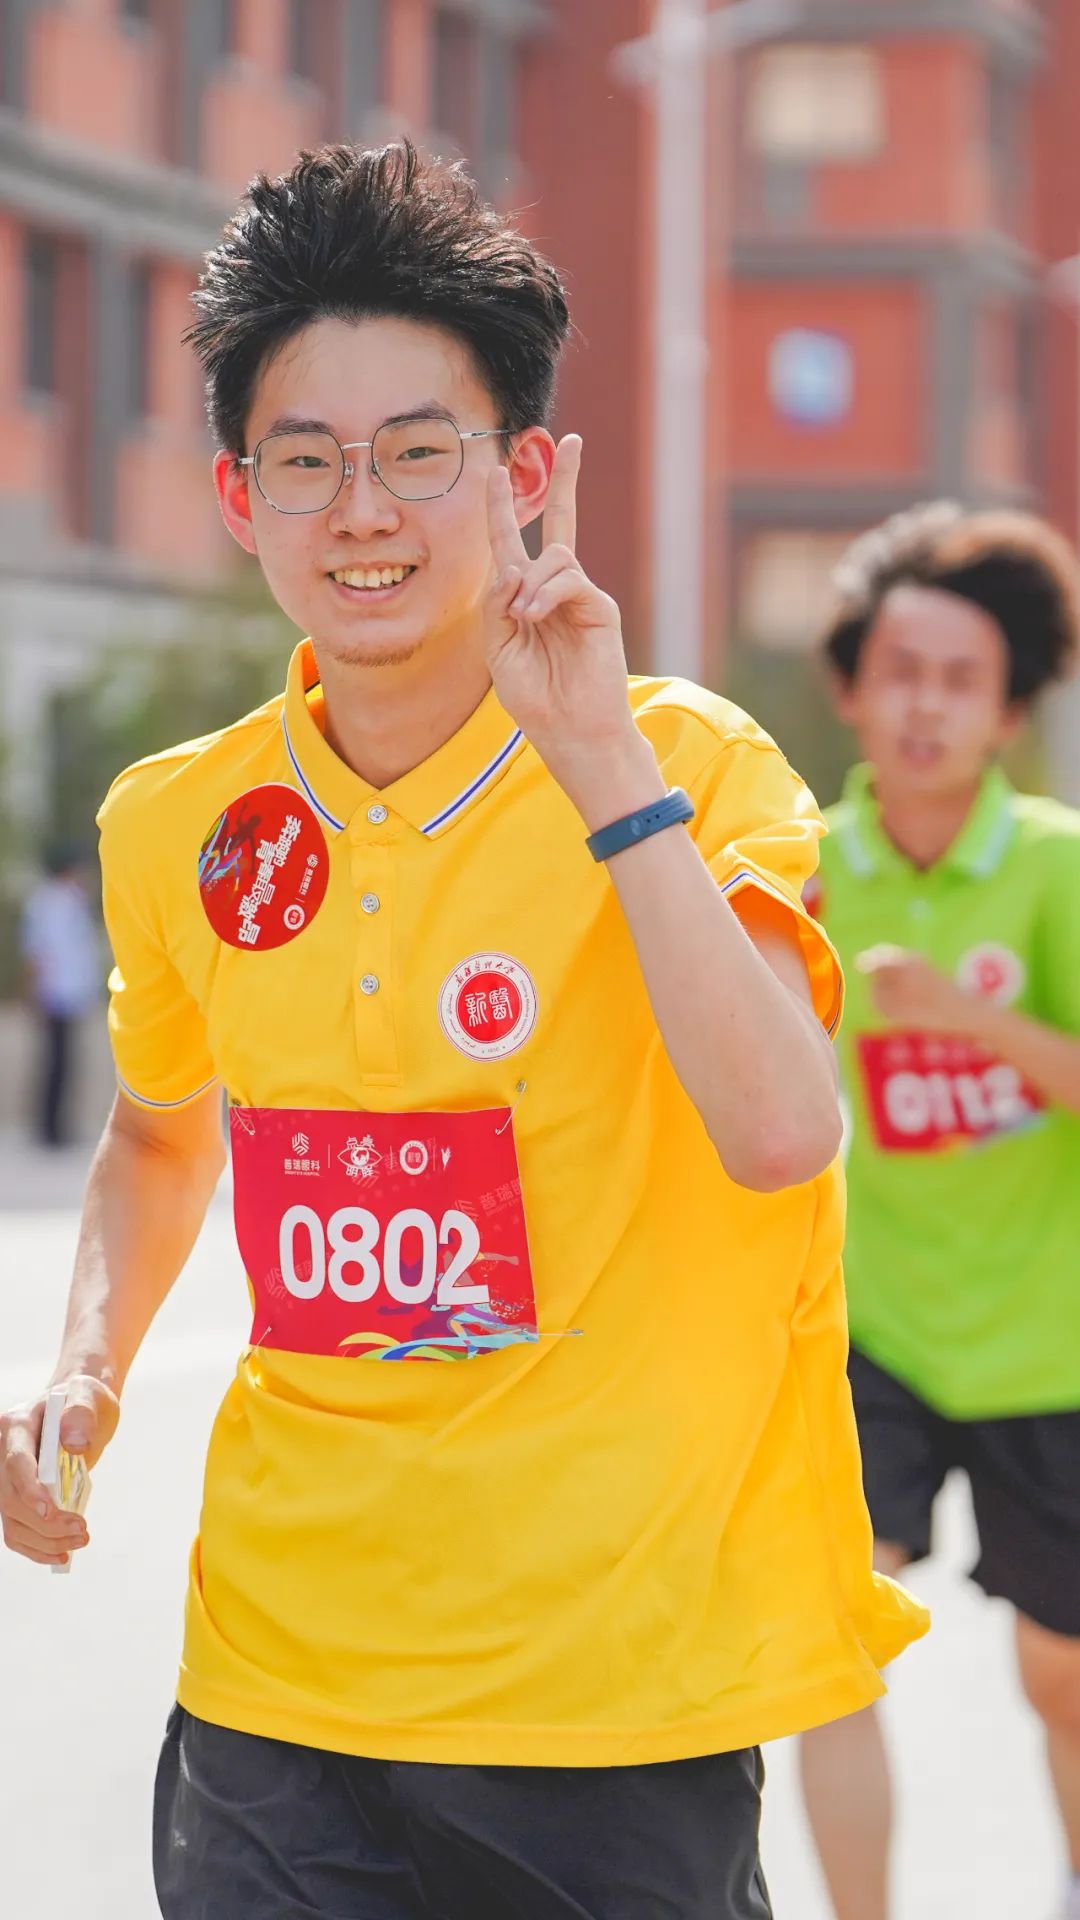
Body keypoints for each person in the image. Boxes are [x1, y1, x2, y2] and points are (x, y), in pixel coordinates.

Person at [0, 141, 925, 1920]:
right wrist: (90, 1368)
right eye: (306, 460)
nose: (362, 511)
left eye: (419, 453)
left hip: (611, 1705)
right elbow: (163, 1128)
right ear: (237, 494)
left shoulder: (689, 765)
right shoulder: (174, 820)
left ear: (526, 476)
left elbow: (782, 1134)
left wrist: (599, 767)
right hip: (275, 1691)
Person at [798, 502, 1080, 1920]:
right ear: (849, 688)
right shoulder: (796, 867)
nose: (924, 706)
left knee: (1063, 1674)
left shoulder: (1055, 864)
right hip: (870, 1335)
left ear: (1010, 711)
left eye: (960, 680)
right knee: (828, 1647)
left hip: (1049, 1344)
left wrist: (971, 1025)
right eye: (899, 671)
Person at [19, 842, 101, 1148]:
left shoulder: (73, 900)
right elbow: (36, 952)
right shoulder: (45, 901)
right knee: (54, 1064)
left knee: (66, 1063)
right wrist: (35, 992)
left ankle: (60, 1127)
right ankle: (49, 1129)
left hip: (72, 993)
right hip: (54, 992)